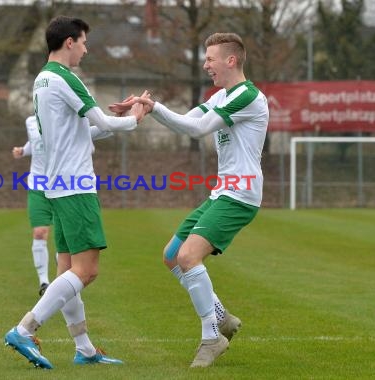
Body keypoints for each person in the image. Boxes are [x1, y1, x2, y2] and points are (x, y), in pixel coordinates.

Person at [110, 32, 269, 368]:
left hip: (240, 194)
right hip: (223, 190)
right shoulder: (221, 96)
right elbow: (190, 122)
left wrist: (153, 107)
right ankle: (222, 317)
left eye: (210, 58)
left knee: (187, 256)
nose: (205, 64)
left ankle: (212, 337)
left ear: (231, 60)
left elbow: (198, 131)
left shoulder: (248, 97)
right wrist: (149, 110)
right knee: (171, 255)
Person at [4, 16, 146, 369]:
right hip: (75, 185)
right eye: (83, 42)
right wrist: (137, 115)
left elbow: (83, 131)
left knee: (67, 268)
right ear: (69, 42)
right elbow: (105, 123)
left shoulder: (42, 79)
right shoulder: (67, 78)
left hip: (56, 184)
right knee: (86, 271)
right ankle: (25, 328)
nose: (85, 48)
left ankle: (84, 349)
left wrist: (115, 121)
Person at [12, 115, 113, 297]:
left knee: (65, 247)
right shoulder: (30, 121)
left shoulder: (67, 120)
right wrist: (23, 150)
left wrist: (123, 120)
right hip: (38, 185)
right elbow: (36, 142)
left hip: (63, 186)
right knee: (40, 232)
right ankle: (44, 281)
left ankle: (66, 281)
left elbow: (96, 132)